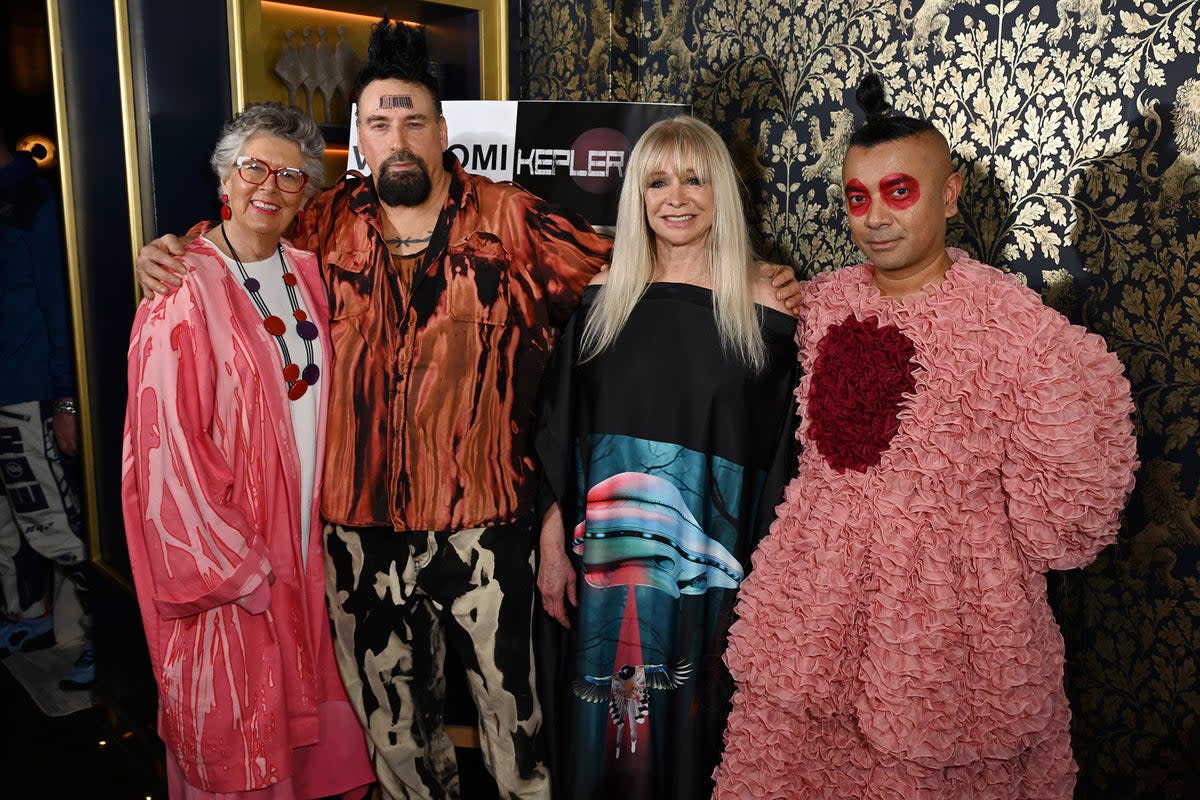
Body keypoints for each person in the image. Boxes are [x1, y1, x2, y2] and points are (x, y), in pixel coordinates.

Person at [134, 20, 802, 799]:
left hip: (484, 527)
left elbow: (636, 262)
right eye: (380, 124)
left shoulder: (512, 219)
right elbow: (244, 244)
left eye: (414, 120)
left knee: (518, 737)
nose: (399, 138)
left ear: (443, 131)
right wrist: (166, 253)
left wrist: (748, 277)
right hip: (357, 535)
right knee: (396, 743)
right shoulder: (323, 225)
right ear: (361, 138)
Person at [712, 74, 1139, 799]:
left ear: (949, 194)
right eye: (858, 197)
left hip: (946, 626)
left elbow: (1077, 498)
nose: (875, 217)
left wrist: (973, 540)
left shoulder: (1012, 325)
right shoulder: (818, 302)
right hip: (814, 612)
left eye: (900, 191)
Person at [535, 116, 799, 799]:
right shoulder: (600, 306)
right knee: (606, 745)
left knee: (699, 744)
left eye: (694, 178)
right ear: (637, 197)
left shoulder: (765, 306)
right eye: (656, 180)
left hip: (716, 589)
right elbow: (563, 435)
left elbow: (781, 459)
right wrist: (552, 542)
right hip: (602, 580)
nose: (675, 197)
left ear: (722, 193)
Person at [122, 102, 375, 800]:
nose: (271, 185)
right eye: (254, 167)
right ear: (224, 181)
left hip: (309, 540)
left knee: (314, 710)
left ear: (306, 196)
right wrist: (236, 561)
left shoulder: (312, 272)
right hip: (237, 557)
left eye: (292, 175)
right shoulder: (181, 284)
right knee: (240, 718)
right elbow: (163, 439)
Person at [0, 127, 94, 691]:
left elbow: (64, 303)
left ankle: (102, 634)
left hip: (28, 391)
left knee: (52, 520)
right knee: (8, 526)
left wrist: (65, 399)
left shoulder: (35, 198)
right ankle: (29, 617)